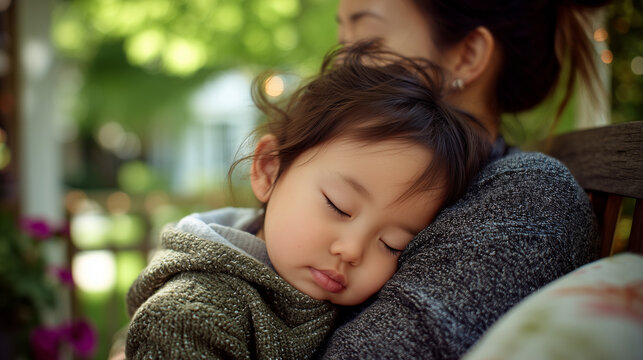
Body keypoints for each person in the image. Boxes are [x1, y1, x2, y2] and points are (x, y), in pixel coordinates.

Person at [125, 44, 490, 359]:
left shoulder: (363, 302)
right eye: (339, 206)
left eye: (392, 244)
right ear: (269, 170)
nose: (351, 250)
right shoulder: (192, 315)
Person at [314, 0, 611, 358]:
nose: (336, 70)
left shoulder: (524, 201)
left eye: (366, 42)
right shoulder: (338, 168)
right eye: (342, 39)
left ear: (467, 55)